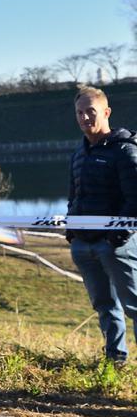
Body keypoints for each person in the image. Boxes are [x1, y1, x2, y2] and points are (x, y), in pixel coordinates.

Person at [67, 85, 137, 368]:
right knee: (105, 307)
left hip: (116, 246)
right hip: (83, 246)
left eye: (90, 112)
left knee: (135, 307)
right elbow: (74, 196)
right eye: (80, 113)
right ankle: (115, 361)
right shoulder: (79, 154)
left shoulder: (125, 151)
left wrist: (116, 238)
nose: (85, 118)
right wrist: (72, 233)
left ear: (106, 112)